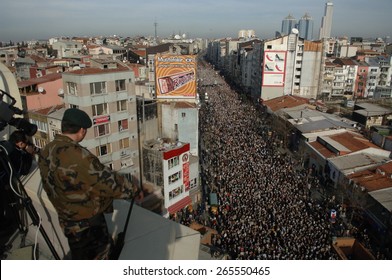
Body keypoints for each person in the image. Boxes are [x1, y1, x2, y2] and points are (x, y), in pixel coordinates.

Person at [38, 108, 141, 260]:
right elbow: (107, 183)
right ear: (82, 130)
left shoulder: (47, 149)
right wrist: (134, 189)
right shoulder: (78, 155)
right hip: (87, 225)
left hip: (67, 220)